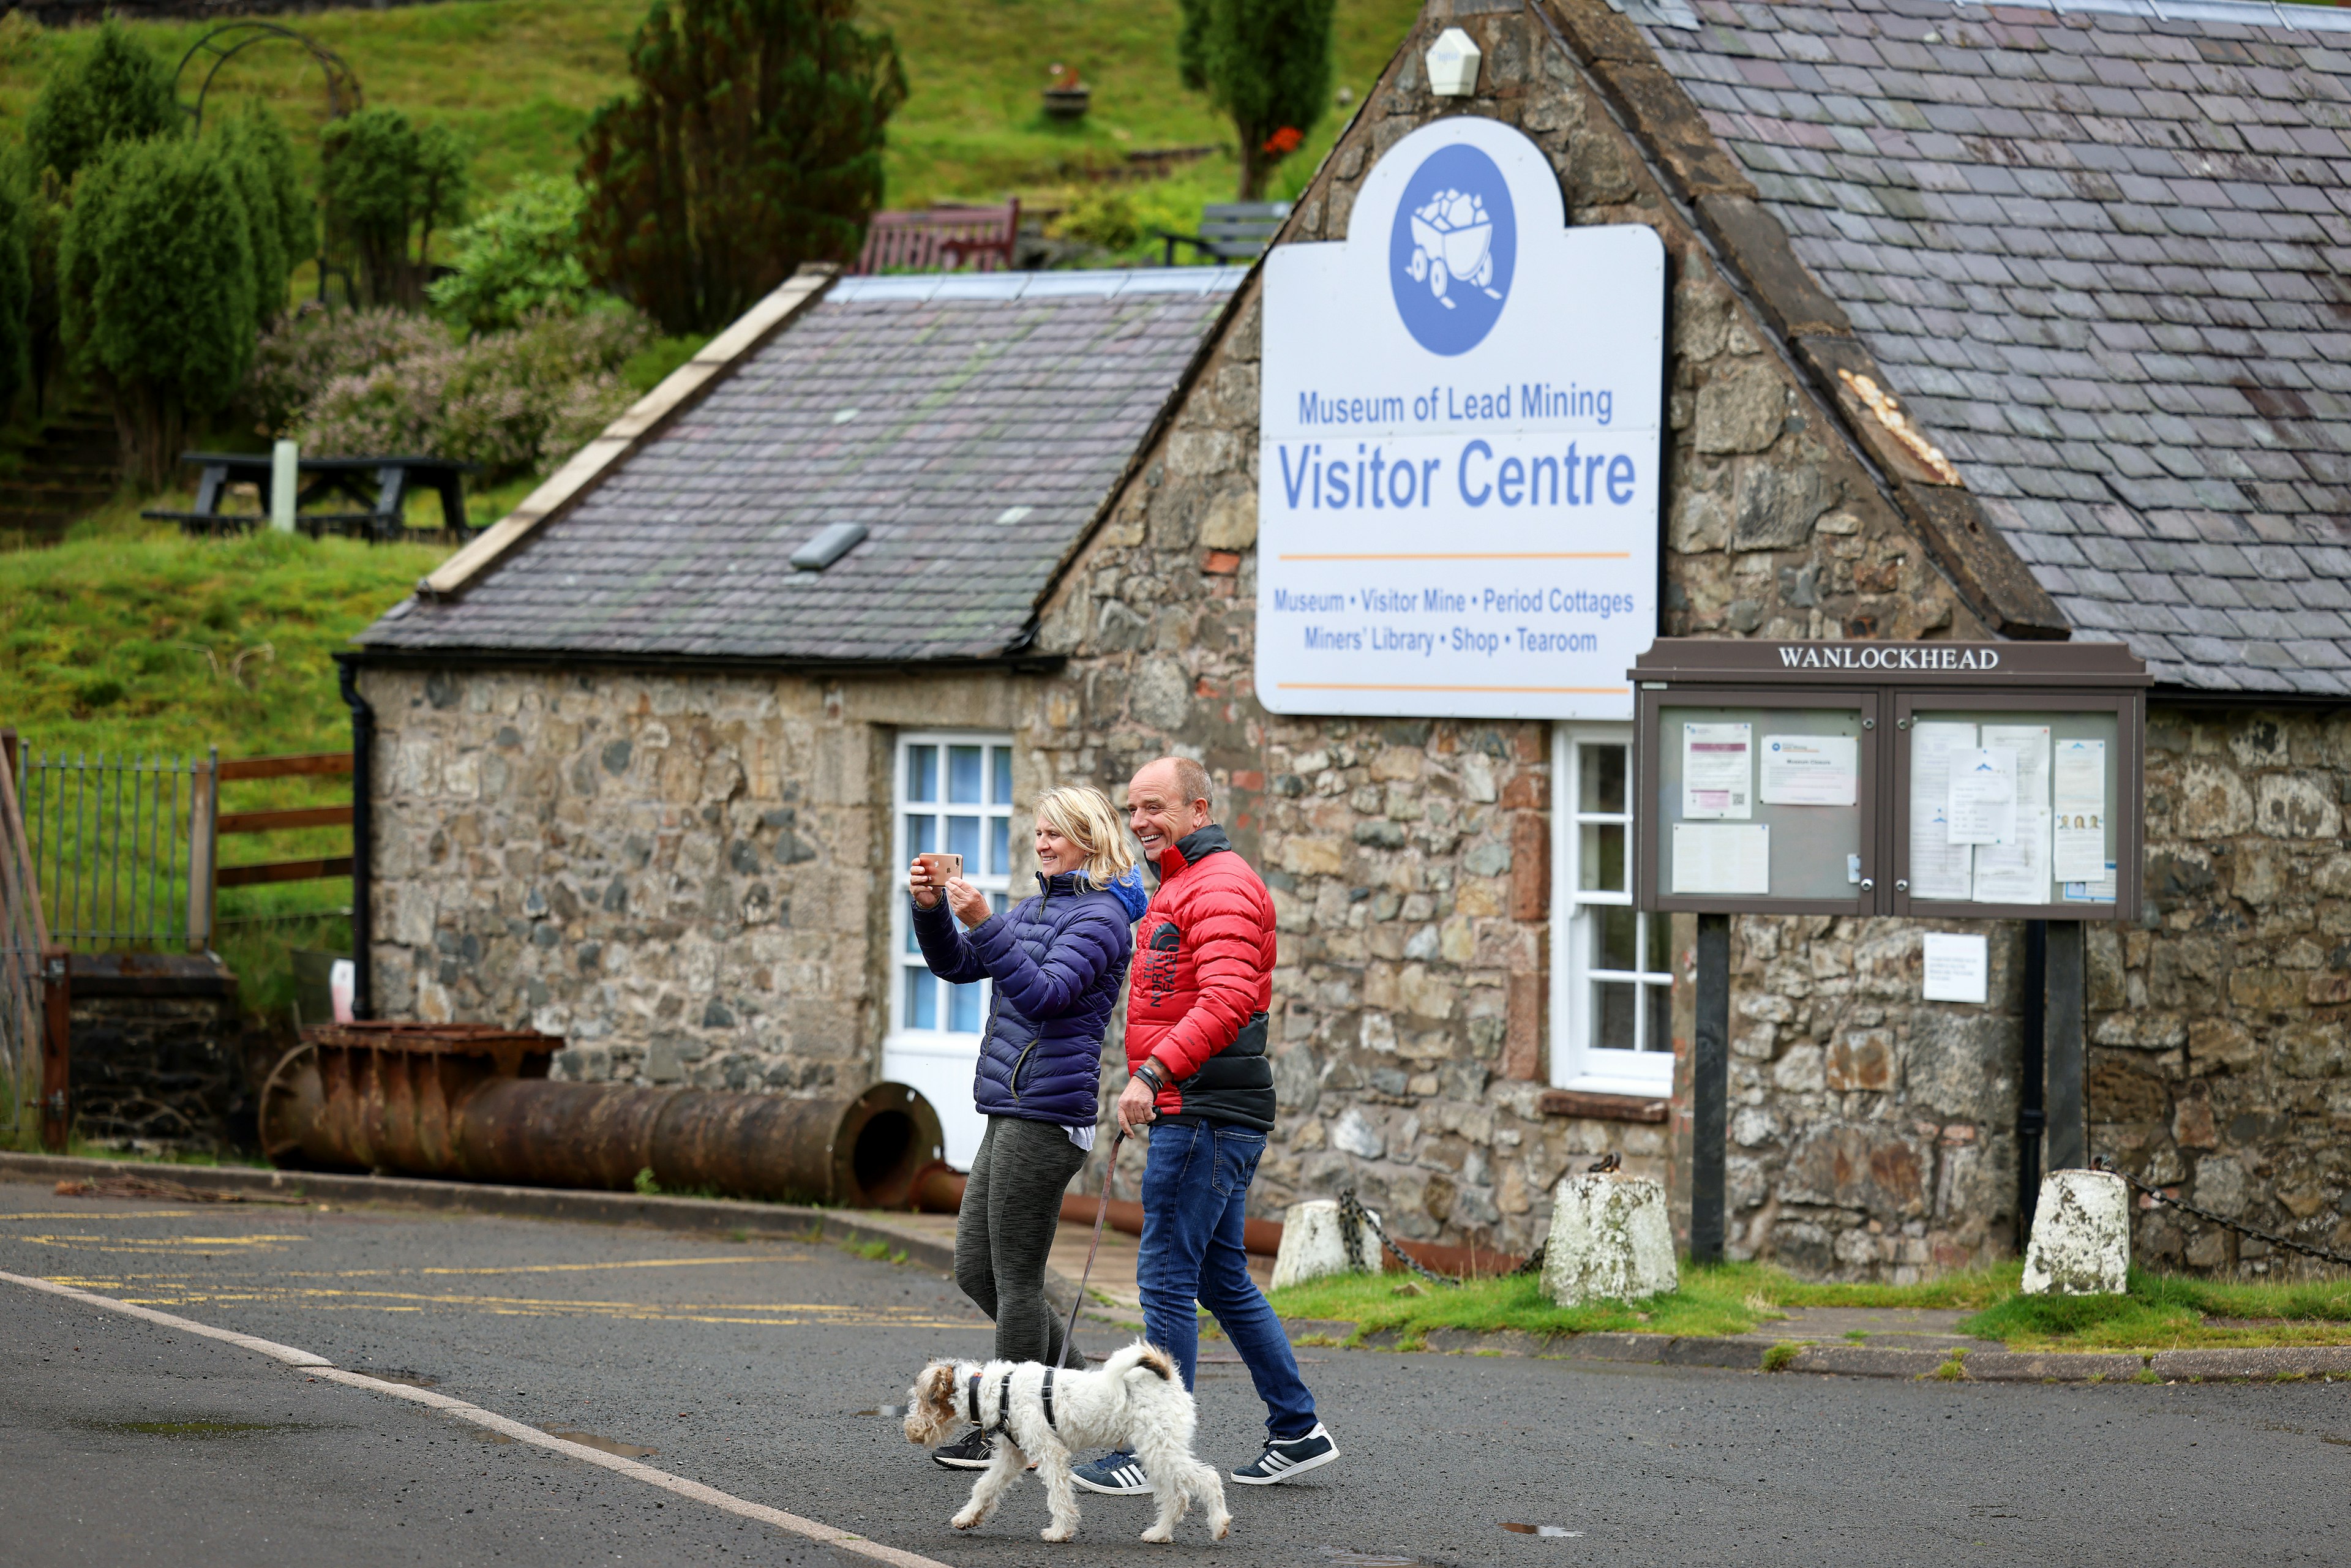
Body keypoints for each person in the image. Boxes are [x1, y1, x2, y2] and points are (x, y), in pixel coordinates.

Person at [1073, 756, 1338, 1496]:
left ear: (1199, 807)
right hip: (1210, 1109)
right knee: (1221, 1274)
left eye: (1154, 806)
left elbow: (1224, 1002)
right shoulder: (1181, 883)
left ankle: (1153, 1452)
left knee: (1164, 1273)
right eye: (1132, 810)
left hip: (1205, 1111)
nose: (1139, 822)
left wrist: (1153, 1074)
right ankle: (1297, 1428)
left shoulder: (1218, 883)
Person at [909, 784, 1150, 1471]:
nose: (1041, 842)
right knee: (973, 1269)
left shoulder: (1103, 917)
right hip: (1010, 1106)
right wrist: (931, 911)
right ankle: (1089, 1401)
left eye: (1056, 833)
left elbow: (1044, 994)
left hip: (1046, 1116)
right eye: (1039, 831)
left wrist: (986, 920)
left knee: (1014, 1278)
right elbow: (957, 965)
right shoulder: (1038, 903)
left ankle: (1010, 1428)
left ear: (1091, 838)